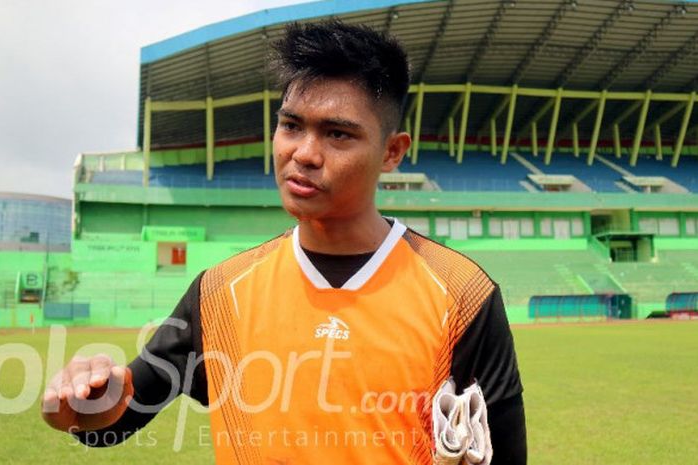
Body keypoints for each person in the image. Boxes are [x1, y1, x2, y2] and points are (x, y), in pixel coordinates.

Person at [42, 20, 526, 465]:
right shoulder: (221, 293)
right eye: (291, 125)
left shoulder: (463, 296)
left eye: (338, 134)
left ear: (392, 152)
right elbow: (121, 413)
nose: (304, 153)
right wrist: (87, 400)